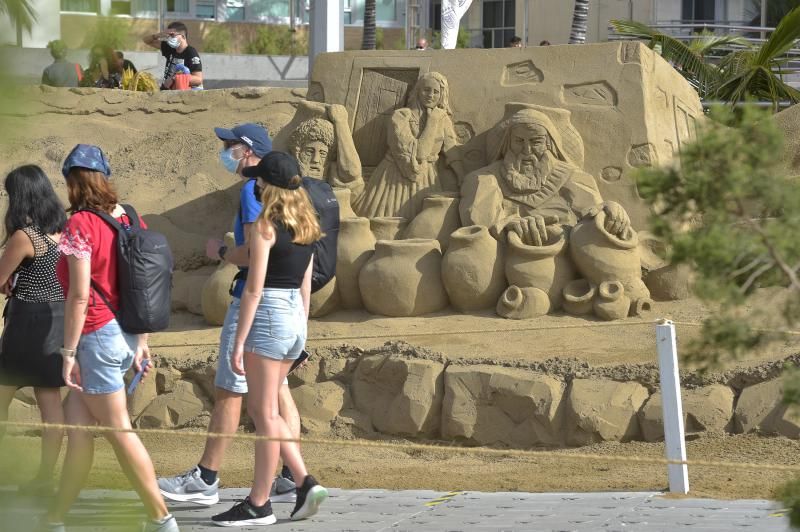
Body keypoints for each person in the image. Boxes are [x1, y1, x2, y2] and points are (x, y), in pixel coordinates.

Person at [158, 124, 303, 507]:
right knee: (275, 393)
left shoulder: (253, 191)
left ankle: (207, 476)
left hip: (257, 304)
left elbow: (257, 249)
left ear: (248, 150)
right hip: (285, 308)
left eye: (229, 146)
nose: (225, 152)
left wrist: (223, 254)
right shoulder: (298, 204)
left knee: (231, 388)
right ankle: (293, 474)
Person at [44, 145, 179, 532]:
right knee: (79, 434)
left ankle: (161, 518)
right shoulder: (131, 217)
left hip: (95, 338)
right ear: (104, 177)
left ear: (72, 182)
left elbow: (80, 296)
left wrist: (68, 352)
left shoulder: (77, 226)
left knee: (119, 431)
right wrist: (143, 340)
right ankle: (55, 518)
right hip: (125, 334)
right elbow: (147, 282)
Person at [211, 152, 327, 526]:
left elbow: (254, 290)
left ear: (267, 186)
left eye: (259, 179)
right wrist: (302, 334)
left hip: (269, 316)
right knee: (269, 412)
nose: (255, 183)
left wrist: (238, 342)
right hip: (294, 313)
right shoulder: (308, 223)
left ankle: (303, 480)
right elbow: (306, 285)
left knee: (263, 413)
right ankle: (259, 501)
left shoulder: (264, 225)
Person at [0, 165, 67, 497]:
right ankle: (44, 478)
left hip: (27, 320)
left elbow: (0, 280)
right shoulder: (63, 231)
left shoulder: (25, 237)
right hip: (58, 320)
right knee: (50, 402)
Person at [353, 71, 464, 220]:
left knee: (422, 223)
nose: (430, 95)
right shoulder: (401, 116)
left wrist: (462, 177)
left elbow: (451, 151)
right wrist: (432, 121)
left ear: (442, 96)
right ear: (418, 91)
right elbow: (419, 153)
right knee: (387, 222)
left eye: (436, 92)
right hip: (393, 178)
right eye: (426, 90)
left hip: (426, 178)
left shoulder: (443, 119)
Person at [289, 101, 364, 197]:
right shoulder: (287, 174)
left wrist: (341, 122)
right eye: (309, 152)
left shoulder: (333, 175)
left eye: (323, 153)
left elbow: (352, 172)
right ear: (297, 153)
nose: (315, 160)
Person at [143, 21, 203, 90]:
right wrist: (159, 35)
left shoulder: (191, 52)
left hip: (180, 94)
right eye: (168, 36)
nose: (169, 38)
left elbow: (198, 79)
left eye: (172, 35)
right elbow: (146, 40)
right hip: (165, 91)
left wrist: (175, 78)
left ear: (183, 36)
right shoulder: (169, 47)